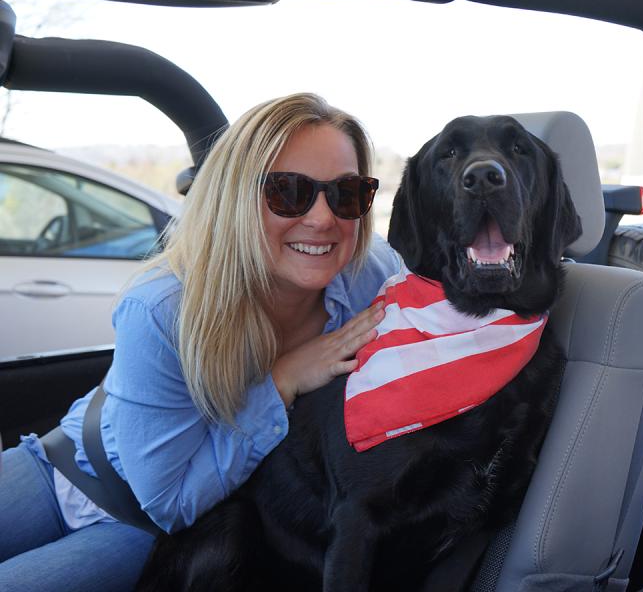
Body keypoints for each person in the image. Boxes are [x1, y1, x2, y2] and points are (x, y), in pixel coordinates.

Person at [0, 92, 401, 591]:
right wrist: (282, 381)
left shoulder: (373, 279)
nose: (323, 218)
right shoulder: (163, 306)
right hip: (61, 464)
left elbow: (170, 506)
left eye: (346, 193)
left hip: (144, 529)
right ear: (233, 197)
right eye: (289, 191)